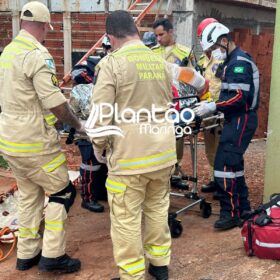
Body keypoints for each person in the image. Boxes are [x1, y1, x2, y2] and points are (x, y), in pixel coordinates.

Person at [85, 10, 176, 280]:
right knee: (158, 208)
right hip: (163, 152)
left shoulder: (112, 64)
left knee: (126, 219)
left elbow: (100, 113)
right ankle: (159, 265)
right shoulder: (159, 60)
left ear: (111, 37)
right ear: (136, 31)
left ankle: (132, 275)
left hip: (129, 157)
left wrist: (99, 146)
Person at [0, 1, 81, 272]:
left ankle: (27, 254)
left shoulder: (8, 52)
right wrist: (77, 125)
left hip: (10, 140)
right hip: (35, 142)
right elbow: (55, 102)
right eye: (48, 27)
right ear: (44, 25)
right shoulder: (37, 54)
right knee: (63, 192)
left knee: (29, 194)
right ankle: (53, 256)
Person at [194, 21, 259, 230]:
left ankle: (229, 213)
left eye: (214, 48)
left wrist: (213, 106)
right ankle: (243, 208)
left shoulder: (239, 63)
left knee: (224, 165)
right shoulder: (231, 61)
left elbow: (239, 98)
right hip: (236, 118)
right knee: (234, 165)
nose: (213, 53)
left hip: (242, 117)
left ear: (224, 41)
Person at [152, 18, 194, 190]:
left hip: (177, 105)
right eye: (156, 36)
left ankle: (174, 172)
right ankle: (160, 173)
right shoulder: (151, 53)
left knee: (177, 140)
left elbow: (192, 80)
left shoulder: (184, 53)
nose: (158, 39)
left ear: (171, 32)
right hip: (157, 104)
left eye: (161, 34)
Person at [70, 62, 108, 213]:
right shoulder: (82, 90)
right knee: (91, 165)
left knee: (99, 164)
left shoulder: (94, 88)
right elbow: (74, 113)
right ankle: (88, 198)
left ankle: (98, 192)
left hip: (97, 131)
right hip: (86, 134)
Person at [197, 18, 223, 198]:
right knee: (210, 148)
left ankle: (223, 183)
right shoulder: (201, 60)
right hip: (207, 110)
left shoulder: (223, 58)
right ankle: (216, 178)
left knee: (223, 148)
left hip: (222, 110)